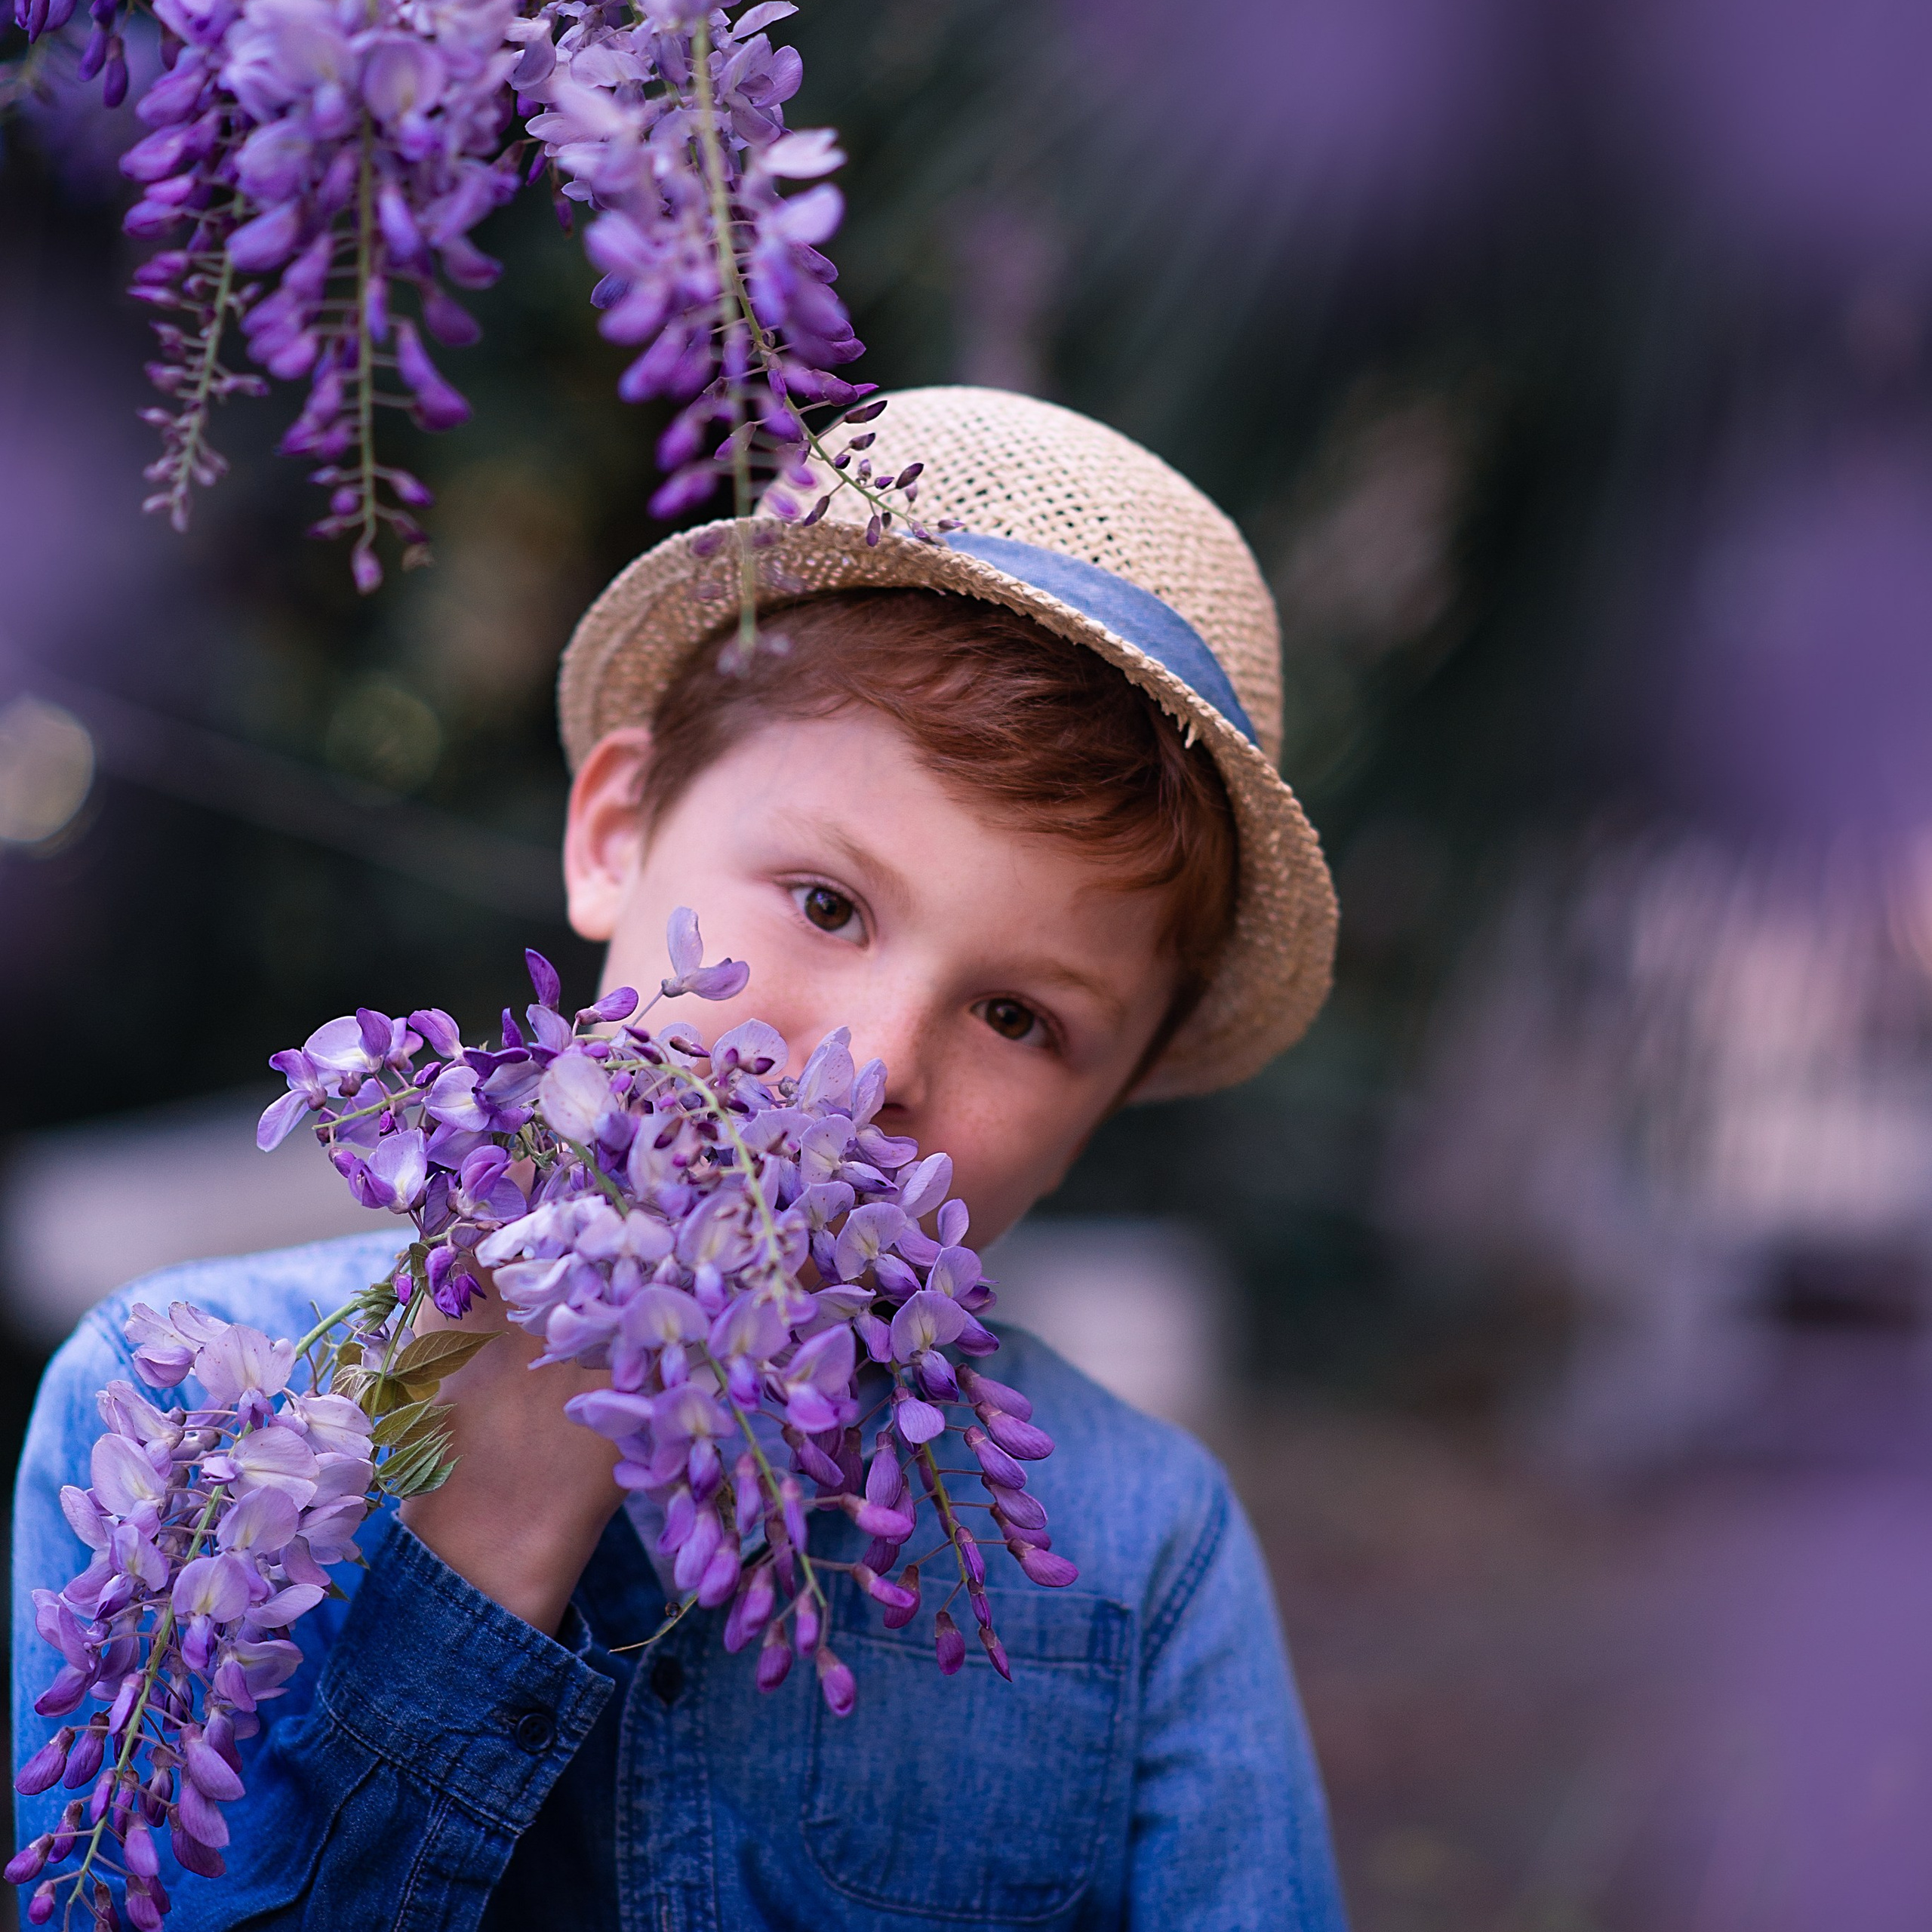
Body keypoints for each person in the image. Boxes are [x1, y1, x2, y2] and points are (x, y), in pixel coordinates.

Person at [13, 386, 1348, 1930]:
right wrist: (488, 1537)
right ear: (613, 832)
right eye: (828, 904)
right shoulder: (178, 1403)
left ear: (1106, 1104)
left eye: (1015, 1014)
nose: (869, 1074)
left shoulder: (1145, 1556)